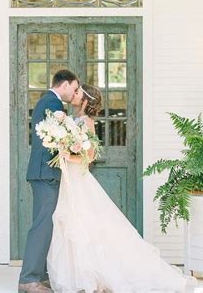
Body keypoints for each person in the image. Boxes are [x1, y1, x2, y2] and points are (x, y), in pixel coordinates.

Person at [47, 84, 191, 293]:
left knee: (85, 226)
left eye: (78, 93)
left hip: (80, 180)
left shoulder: (86, 122)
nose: (74, 94)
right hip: (71, 180)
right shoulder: (74, 121)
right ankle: (81, 276)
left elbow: (90, 156)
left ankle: (93, 277)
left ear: (86, 100)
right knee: (75, 225)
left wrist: (69, 155)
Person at [18, 69, 84, 293]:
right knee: (42, 225)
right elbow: (54, 139)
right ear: (64, 84)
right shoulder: (53, 104)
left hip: (45, 173)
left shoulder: (48, 102)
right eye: (74, 89)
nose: (74, 93)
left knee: (48, 225)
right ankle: (29, 279)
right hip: (45, 173)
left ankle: (41, 275)